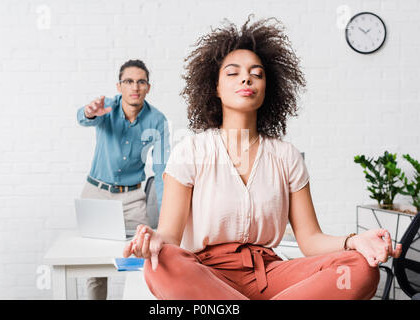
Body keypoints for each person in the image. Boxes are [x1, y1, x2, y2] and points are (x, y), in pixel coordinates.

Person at [123, 17, 402, 300]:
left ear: (268, 88)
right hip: (205, 275)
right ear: (215, 88)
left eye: (257, 73)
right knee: (162, 263)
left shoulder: (287, 156)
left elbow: (310, 240)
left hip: (270, 276)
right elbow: (170, 236)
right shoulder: (190, 151)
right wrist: (156, 240)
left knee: (360, 268)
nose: (246, 78)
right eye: (233, 73)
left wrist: (355, 241)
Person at [77, 59, 170, 300]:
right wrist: (89, 113)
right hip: (96, 192)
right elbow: (84, 117)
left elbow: (161, 170)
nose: (135, 87)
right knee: (94, 266)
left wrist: (166, 216)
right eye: (128, 81)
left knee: (142, 261)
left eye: (141, 82)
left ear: (148, 87)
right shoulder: (105, 107)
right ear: (119, 86)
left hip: (132, 198)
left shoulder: (157, 120)